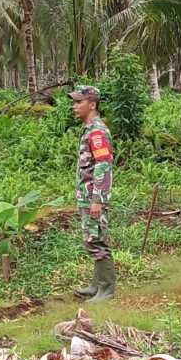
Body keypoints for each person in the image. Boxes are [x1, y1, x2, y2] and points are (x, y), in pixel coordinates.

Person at [69, 85, 116, 303]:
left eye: (79, 102)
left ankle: (106, 290)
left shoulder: (97, 131)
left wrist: (98, 199)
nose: (75, 106)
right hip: (86, 196)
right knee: (91, 239)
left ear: (92, 105)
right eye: (75, 101)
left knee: (97, 240)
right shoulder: (89, 129)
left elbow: (103, 165)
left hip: (94, 197)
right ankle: (96, 285)